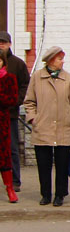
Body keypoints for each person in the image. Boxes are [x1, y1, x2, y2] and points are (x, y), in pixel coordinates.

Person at [23, 46, 70, 206]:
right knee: (44, 164)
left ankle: (60, 194)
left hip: (64, 127)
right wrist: (33, 118)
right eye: (59, 58)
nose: (63, 61)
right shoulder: (37, 77)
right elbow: (29, 101)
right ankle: (45, 194)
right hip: (42, 128)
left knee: (62, 164)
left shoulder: (68, 79)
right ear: (50, 61)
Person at [0, 31, 30, 192]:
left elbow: (25, 84)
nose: (1, 45)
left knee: (11, 148)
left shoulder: (17, 64)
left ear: (9, 44)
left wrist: (16, 101)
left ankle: (15, 181)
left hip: (9, 115)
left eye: (4, 42)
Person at [0, 52, 21, 202]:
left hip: (3, 122)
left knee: (5, 155)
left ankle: (10, 188)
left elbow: (12, 99)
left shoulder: (9, 78)